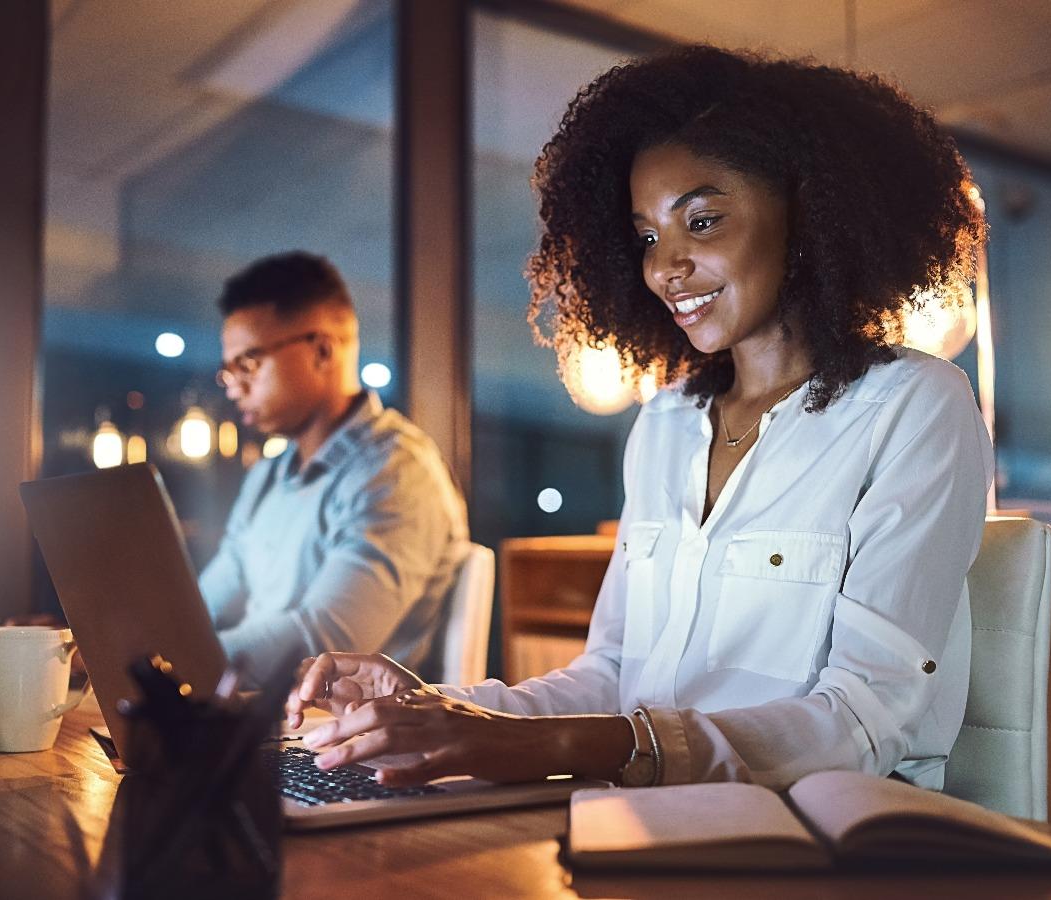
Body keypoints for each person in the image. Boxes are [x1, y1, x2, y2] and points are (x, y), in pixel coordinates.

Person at [287, 47, 993, 791]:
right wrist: (433, 710)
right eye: (649, 237)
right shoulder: (665, 425)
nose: (664, 268)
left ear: (812, 210)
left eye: (703, 220)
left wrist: (561, 750)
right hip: (642, 822)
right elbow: (616, 676)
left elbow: (860, 722)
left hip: (819, 844)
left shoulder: (916, 407)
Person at [199, 251, 470, 684]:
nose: (235, 388)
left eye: (248, 364)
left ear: (322, 350)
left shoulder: (396, 472)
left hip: (345, 736)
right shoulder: (270, 474)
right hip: (258, 716)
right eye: (228, 371)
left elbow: (324, 640)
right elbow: (208, 600)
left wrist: (174, 656)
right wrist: (135, 644)